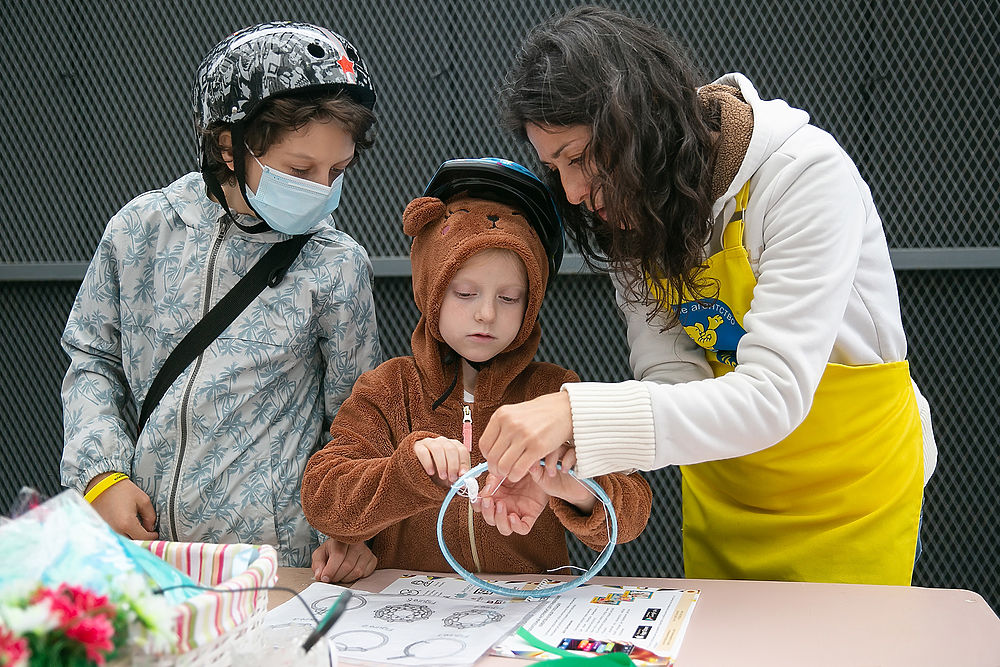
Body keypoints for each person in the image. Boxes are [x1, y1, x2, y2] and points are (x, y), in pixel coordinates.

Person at [480, 6, 936, 586]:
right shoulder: (634, 216)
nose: (570, 191)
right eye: (554, 167)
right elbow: (674, 380)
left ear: (637, 122)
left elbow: (775, 394)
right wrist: (568, 455)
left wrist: (573, 411)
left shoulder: (804, 177)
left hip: (851, 489)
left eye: (578, 157)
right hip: (727, 490)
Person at [60, 21, 382, 576]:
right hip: (146, 553)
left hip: (278, 565)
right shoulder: (139, 230)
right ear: (228, 145)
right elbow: (93, 360)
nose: (320, 188)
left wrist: (346, 529)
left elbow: (356, 416)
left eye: (337, 170)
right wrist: (101, 477)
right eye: (299, 169)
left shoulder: (337, 263)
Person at [301, 158, 651, 575]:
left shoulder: (553, 394)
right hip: (413, 609)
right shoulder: (389, 390)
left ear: (532, 303)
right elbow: (323, 498)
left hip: (525, 607)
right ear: (430, 288)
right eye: (465, 293)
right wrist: (409, 472)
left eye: (509, 298)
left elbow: (632, 509)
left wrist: (577, 489)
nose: (486, 313)